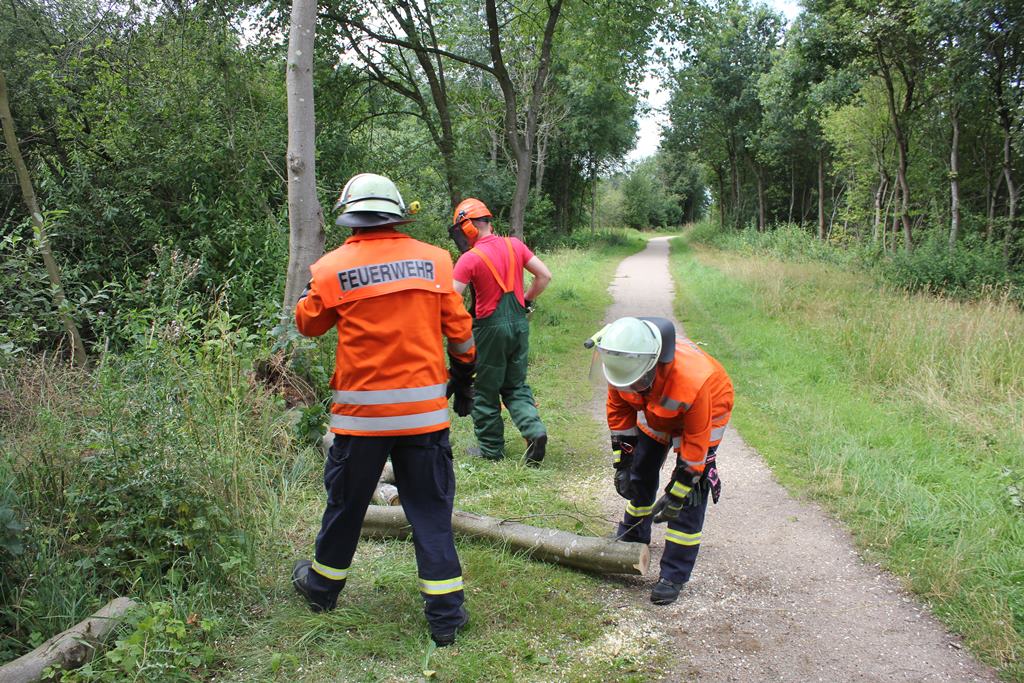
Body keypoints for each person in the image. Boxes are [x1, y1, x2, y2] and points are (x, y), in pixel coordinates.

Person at [290, 173, 476, 647]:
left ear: (350, 218)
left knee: (346, 508)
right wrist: (465, 378)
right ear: (397, 214)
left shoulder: (331, 268)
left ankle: (321, 592)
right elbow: (460, 330)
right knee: (431, 512)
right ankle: (446, 618)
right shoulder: (436, 260)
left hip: (360, 422)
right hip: (425, 421)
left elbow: (309, 325)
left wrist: (312, 294)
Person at [589, 316, 733, 605]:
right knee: (640, 472)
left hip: (705, 411)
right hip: (657, 412)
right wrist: (623, 464)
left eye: (638, 382)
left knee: (690, 496)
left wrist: (678, 490)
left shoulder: (693, 382)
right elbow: (619, 416)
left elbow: (695, 444)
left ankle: (674, 574)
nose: (632, 386)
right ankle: (634, 535)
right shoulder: (623, 365)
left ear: (655, 364)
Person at [449, 198, 552, 465]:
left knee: (485, 390)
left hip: (489, 331)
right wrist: (526, 300)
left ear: (468, 228)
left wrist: (456, 331)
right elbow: (544, 276)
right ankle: (534, 431)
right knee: (515, 385)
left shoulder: (469, 259)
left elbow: (451, 301)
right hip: (518, 324)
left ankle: (491, 449)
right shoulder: (514, 245)